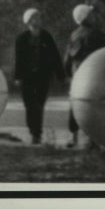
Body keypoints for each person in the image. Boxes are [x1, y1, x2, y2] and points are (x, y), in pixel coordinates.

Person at [13, 8, 66, 144]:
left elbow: (55, 56)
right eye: (34, 18)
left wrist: (61, 75)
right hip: (27, 78)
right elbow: (18, 59)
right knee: (29, 105)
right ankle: (32, 129)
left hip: (43, 76)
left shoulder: (46, 37)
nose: (38, 20)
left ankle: (37, 133)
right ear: (28, 21)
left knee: (39, 104)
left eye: (39, 17)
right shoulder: (22, 39)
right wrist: (18, 77)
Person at [63, 3, 105, 148]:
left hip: (77, 75)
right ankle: (95, 140)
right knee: (97, 105)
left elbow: (67, 58)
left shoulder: (74, 35)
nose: (94, 17)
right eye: (91, 14)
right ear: (86, 17)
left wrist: (67, 74)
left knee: (76, 104)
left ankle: (74, 137)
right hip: (95, 75)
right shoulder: (98, 34)